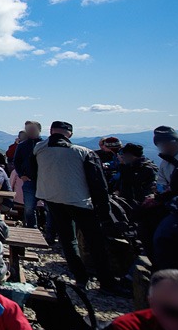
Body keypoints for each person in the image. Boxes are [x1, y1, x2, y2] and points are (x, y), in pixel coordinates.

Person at [34, 120, 122, 293]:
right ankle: (107, 282)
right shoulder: (83, 152)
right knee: (95, 241)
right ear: (71, 134)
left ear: (51, 131)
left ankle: (80, 278)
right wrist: (104, 211)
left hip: (52, 198)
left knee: (68, 240)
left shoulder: (39, 150)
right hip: (80, 201)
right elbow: (98, 184)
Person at [12, 121, 43, 228]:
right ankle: (32, 229)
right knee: (29, 208)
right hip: (29, 181)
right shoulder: (22, 146)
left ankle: (50, 233)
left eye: (32, 129)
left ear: (39, 129)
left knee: (51, 209)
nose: (30, 131)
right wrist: (21, 175)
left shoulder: (45, 145)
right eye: (28, 129)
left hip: (45, 182)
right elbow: (16, 162)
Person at [155, 126, 178, 194]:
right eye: (159, 145)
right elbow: (161, 185)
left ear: (174, 142)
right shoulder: (165, 163)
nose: (162, 148)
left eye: (164, 144)